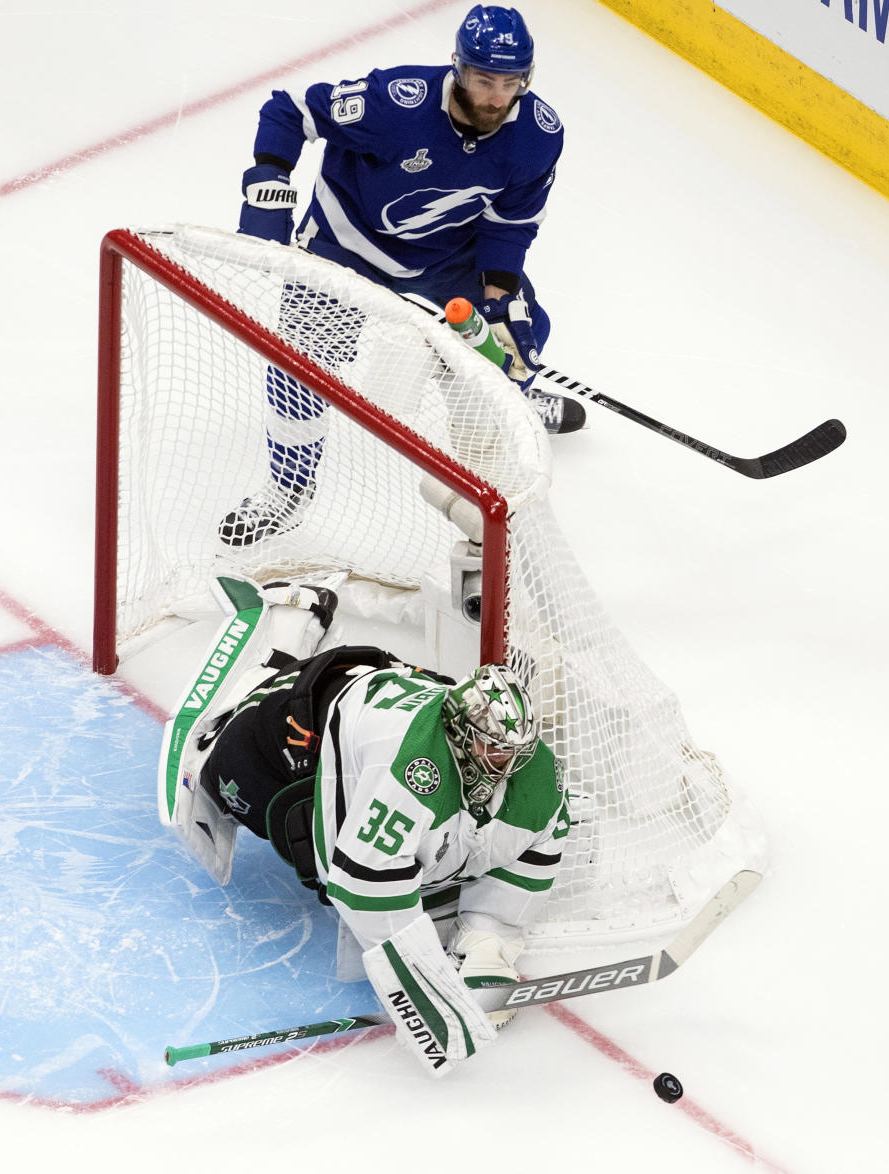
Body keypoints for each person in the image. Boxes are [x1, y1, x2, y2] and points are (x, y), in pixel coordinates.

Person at [160, 576, 570, 1076]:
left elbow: (543, 839)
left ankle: (292, 656)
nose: (507, 763)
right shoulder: (413, 769)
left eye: (515, 751)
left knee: (438, 847)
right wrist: (424, 994)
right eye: (493, 748)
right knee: (265, 802)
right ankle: (272, 664)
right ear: (461, 733)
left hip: (372, 682)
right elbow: (358, 885)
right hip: (286, 734)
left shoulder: (535, 772)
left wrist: (489, 938)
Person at [219, 4, 583, 548]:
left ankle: (513, 408)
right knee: (299, 367)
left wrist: (498, 298)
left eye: (511, 83)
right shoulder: (394, 102)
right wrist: (268, 177)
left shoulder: (536, 134)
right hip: (347, 244)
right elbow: (291, 109)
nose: (495, 97)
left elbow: (510, 224)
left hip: (446, 257)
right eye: (484, 79)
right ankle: (287, 492)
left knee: (516, 343)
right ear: (457, 67)